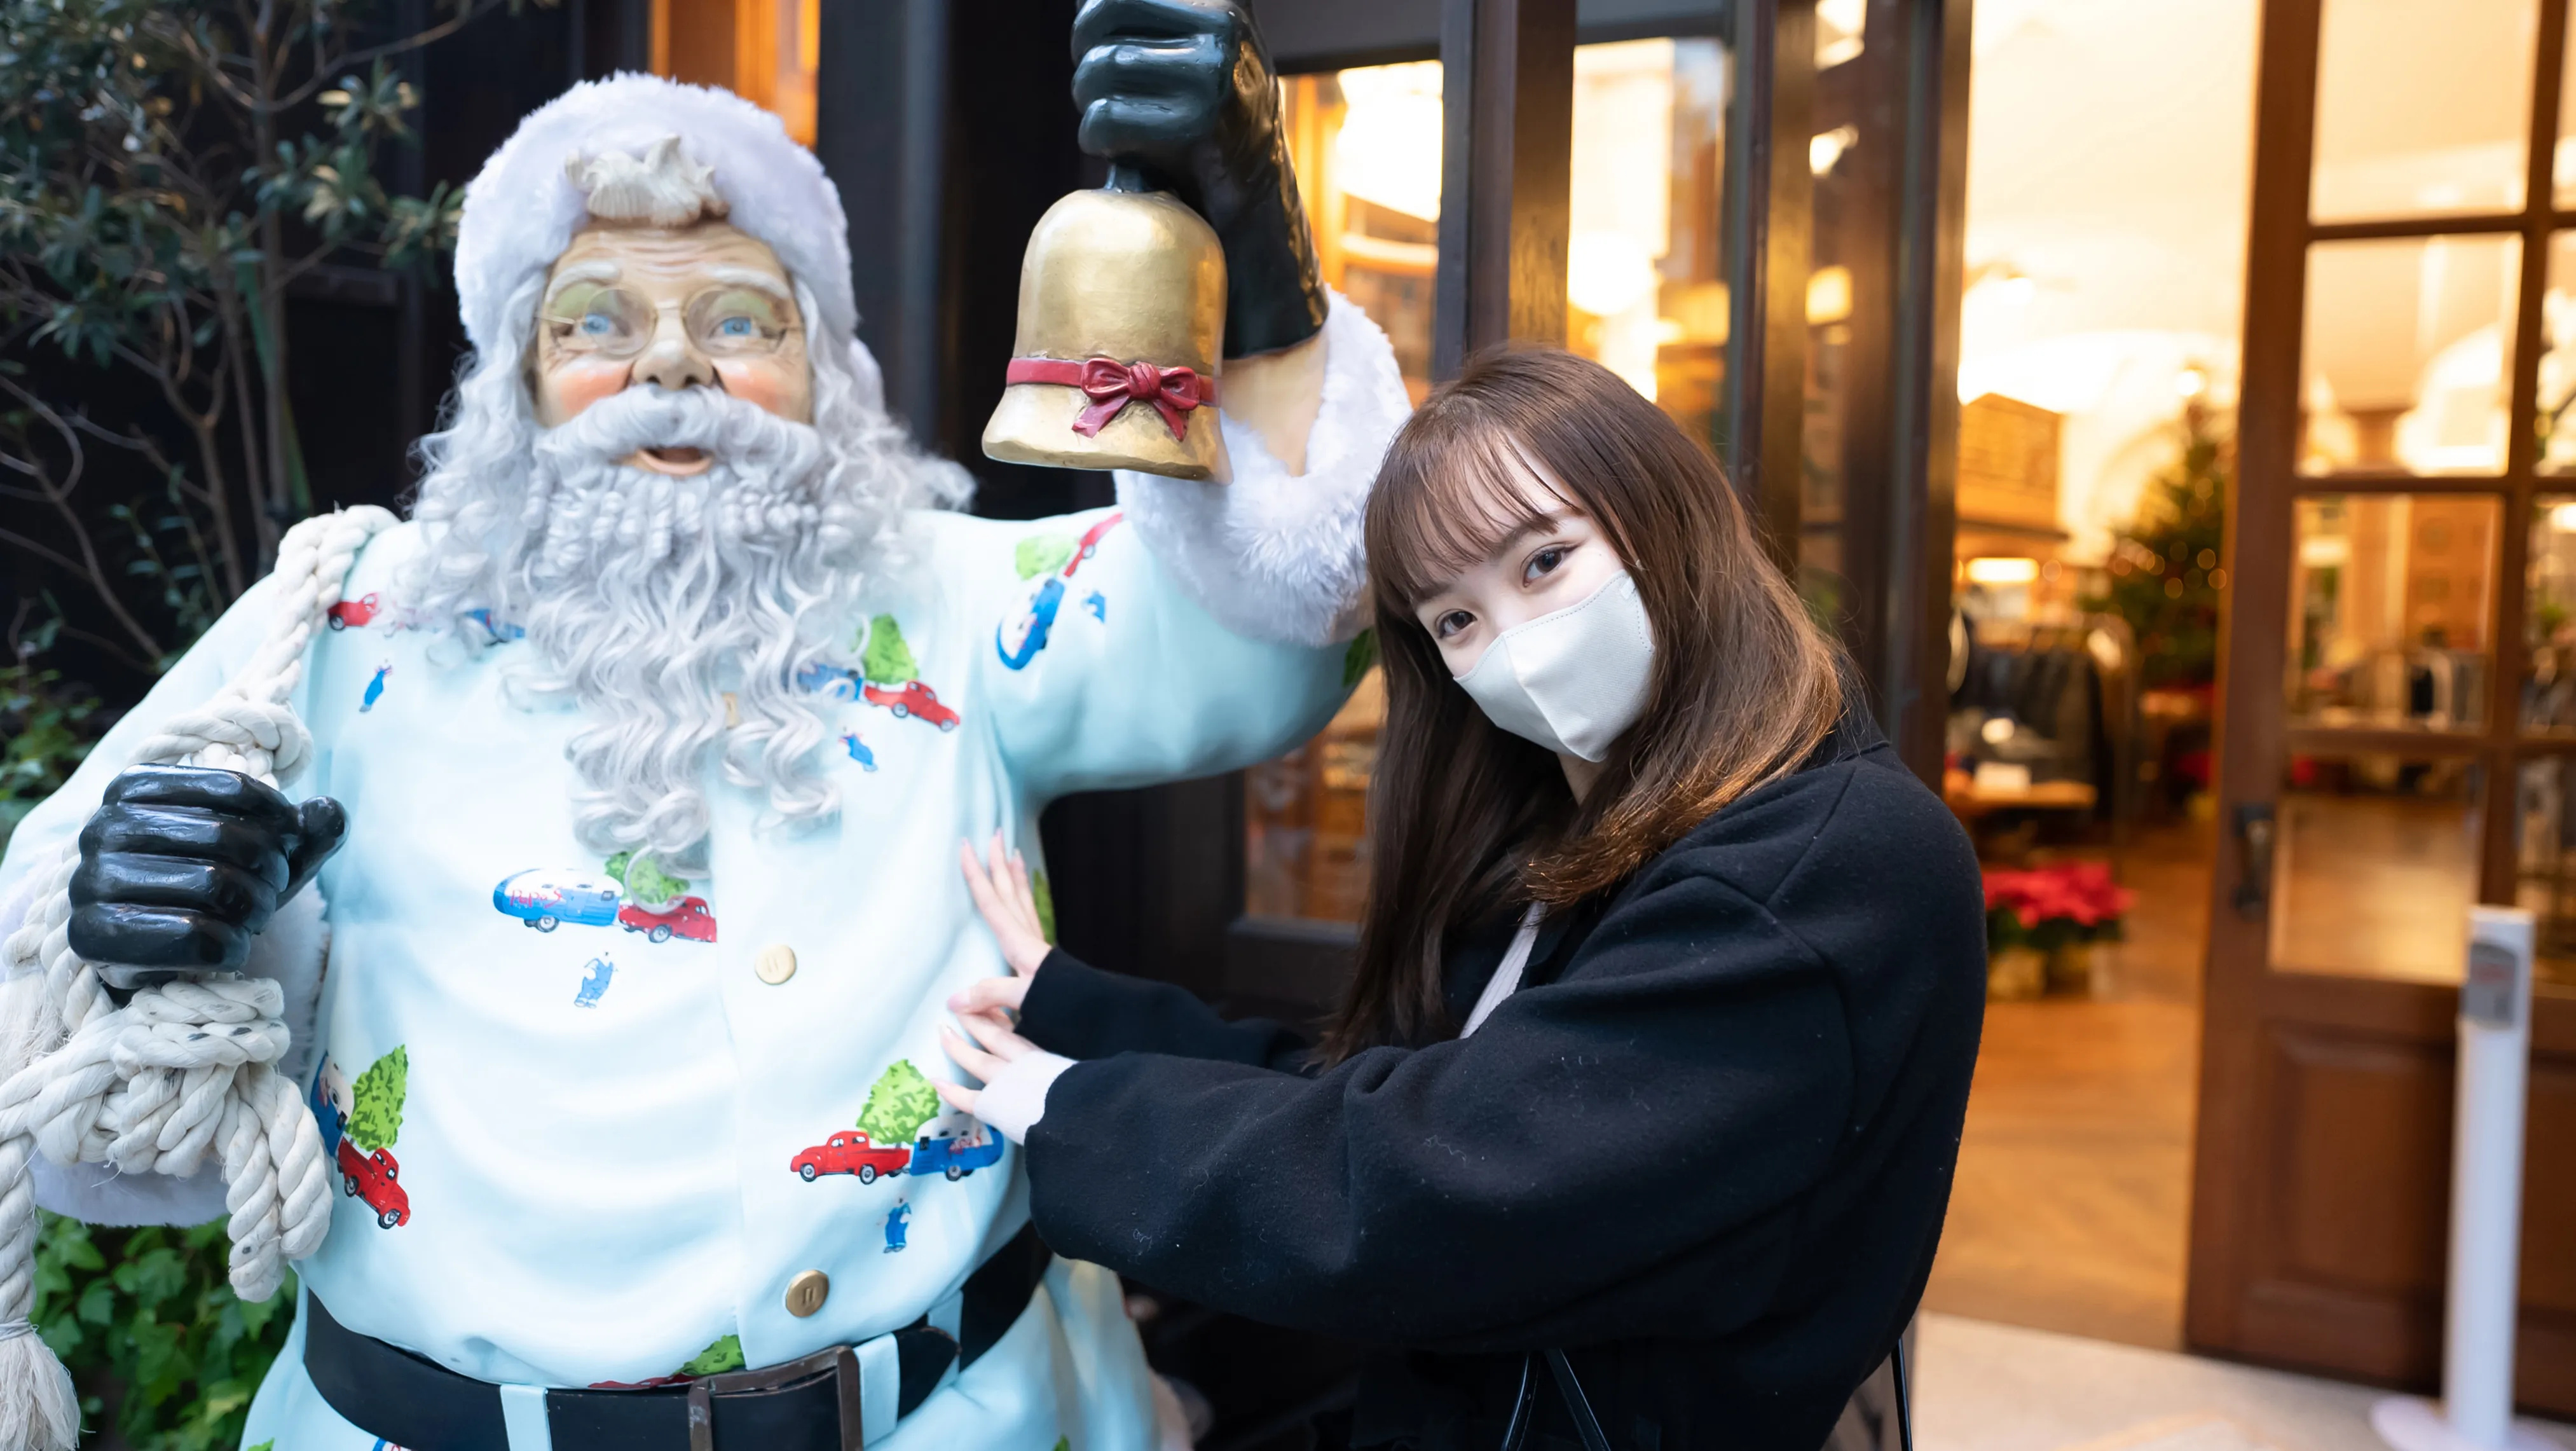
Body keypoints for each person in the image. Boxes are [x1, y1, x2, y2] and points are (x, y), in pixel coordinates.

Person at [0, 4, 1411, 1448]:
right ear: (516, 383)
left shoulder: (951, 595)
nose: (672, 369)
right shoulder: (345, 619)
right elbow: (47, 990)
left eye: (740, 322)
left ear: (826, 374)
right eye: (598, 322)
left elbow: (1272, 628)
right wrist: (144, 926)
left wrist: (1259, 266)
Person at [938, 348, 1987, 1451]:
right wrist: (1075, 1009)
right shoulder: (1578, 834)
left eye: (1543, 562)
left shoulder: (1834, 864)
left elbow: (1444, 1188)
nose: (1514, 642)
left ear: (1670, 514)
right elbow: (1398, 1100)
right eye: (1455, 621)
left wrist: (1074, 1111)